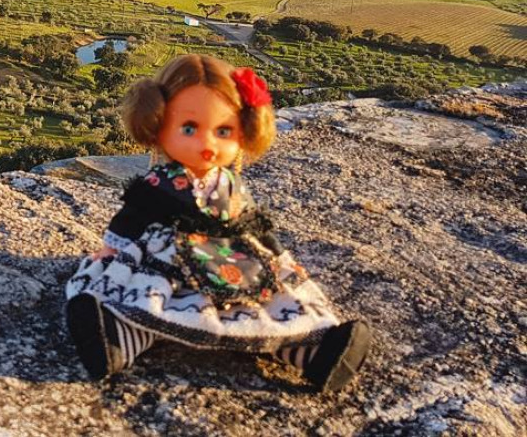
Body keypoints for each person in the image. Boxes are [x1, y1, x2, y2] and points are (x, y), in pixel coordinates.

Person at [65, 54, 371, 392]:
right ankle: (118, 339)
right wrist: (111, 250)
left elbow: (254, 224)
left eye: (223, 130)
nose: (208, 145)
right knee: (146, 295)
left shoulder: (230, 184)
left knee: (272, 296)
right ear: (156, 123)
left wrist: (279, 256)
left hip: (234, 257)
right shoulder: (160, 182)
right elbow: (133, 217)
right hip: (170, 254)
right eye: (189, 129)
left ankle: (317, 351)